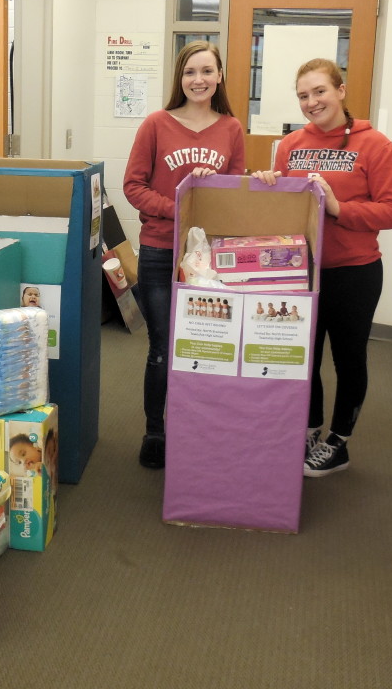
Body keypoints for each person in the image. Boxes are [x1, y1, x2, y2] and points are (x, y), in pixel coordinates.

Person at [253, 58, 392, 477]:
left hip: (355, 271)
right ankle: (309, 427)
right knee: (304, 355)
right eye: (303, 95)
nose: (312, 102)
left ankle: (339, 441)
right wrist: (269, 184)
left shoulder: (376, 146)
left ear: (340, 90)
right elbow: (282, 209)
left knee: (348, 357)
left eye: (319, 91)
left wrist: (338, 208)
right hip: (301, 271)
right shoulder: (290, 146)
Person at [122, 40, 246, 469]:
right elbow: (133, 186)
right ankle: (155, 430)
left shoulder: (231, 128)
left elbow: (235, 193)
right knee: (161, 344)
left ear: (218, 78)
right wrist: (180, 205)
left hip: (207, 257)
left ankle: (198, 425)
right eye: (191, 72)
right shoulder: (157, 123)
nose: (199, 79)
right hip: (159, 249)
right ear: (180, 77)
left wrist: (213, 191)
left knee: (204, 344)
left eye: (207, 71)